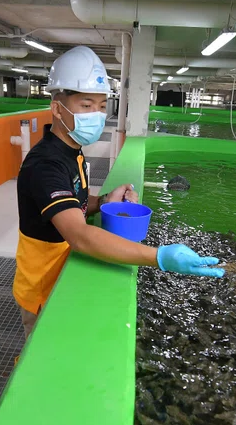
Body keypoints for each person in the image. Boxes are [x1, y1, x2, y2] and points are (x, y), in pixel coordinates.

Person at [13, 46, 224, 338]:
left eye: (101, 106)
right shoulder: (45, 164)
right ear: (57, 107)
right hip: (42, 285)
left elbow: (72, 206)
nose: (96, 115)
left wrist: (102, 202)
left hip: (62, 272)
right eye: (85, 106)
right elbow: (79, 235)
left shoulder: (71, 150)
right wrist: (159, 256)